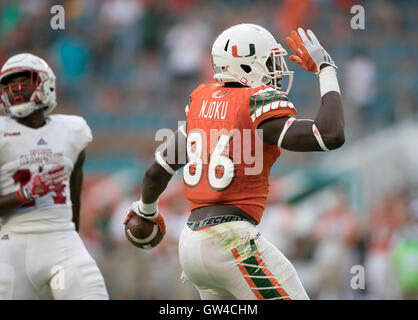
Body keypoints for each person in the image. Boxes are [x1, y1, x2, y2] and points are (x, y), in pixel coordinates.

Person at [124, 23, 345, 300]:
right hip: (231, 241)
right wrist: (326, 69)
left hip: (191, 244)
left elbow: (157, 171)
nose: (276, 71)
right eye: (268, 62)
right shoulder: (254, 104)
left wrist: (146, 211)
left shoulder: (200, 104)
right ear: (246, 66)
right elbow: (330, 135)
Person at [0, 53, 109, 299]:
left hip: (62, 240)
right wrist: (24, 193)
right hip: (13, 243)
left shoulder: (71, 131)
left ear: (44, 82)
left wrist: (74, 240)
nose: (15, 88)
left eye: (23, 80)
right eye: (8, 83)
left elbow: (74, 197)